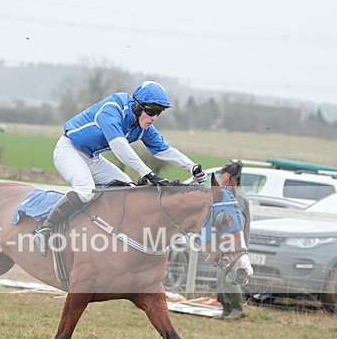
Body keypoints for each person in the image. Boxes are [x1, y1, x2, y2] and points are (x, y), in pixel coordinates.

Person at [32, 80, 207, 256]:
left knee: (128, 189)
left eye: (158, 113)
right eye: (151, 111)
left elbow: (164, 150)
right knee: (85, 190)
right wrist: (148, 173)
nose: (154, 118)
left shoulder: (143, 127)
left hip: (92, 158)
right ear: (137, 107)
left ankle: (107, 233)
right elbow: (119, 146)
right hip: (69, 150)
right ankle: (45, 229)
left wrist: (191, 167)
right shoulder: (113, 108)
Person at [215, 160, 250, 320]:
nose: (221, 176)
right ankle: (226, 309)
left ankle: (238, 308)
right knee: (221, 277)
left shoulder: (238, 197)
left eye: (223, 174)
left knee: (230, 277)